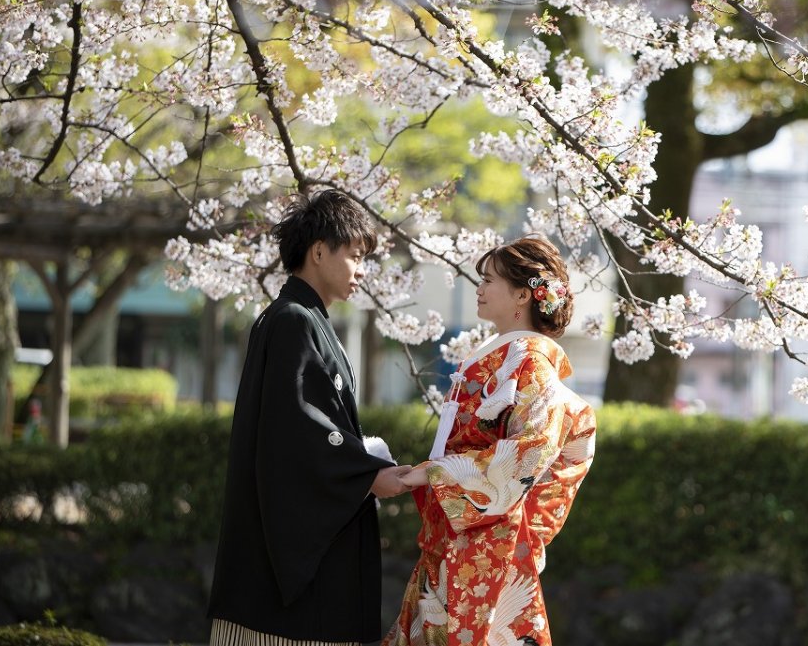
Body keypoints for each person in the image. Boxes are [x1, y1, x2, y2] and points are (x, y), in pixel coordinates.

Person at [207, 189, 411, 646]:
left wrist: (365, 469)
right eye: (355, 255)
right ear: (319, 251)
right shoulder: (294, 320)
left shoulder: (296, 316)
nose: (362, 269)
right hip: (289, 583)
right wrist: (366, 475)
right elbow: (296, 426)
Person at [384, 235, 597, 646]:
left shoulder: (530, 360)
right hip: (465, 530)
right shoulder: (502, 355)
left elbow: (534, 447)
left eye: (489, 280)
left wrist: (437, 472)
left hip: (488, 539)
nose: (479, 289)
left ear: (522, 294)